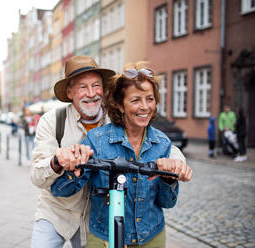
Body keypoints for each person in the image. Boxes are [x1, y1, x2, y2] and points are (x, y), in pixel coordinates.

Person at [30, 56, 187, 248]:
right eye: (82, 87)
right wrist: (58, 161)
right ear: (70, 92)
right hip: (60, 211)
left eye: (96, 85)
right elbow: (39, 175)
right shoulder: (55, 121)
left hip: (97, 216)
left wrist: (175, 163)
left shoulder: (117, 120)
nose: (91, 93)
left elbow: (164, 148)